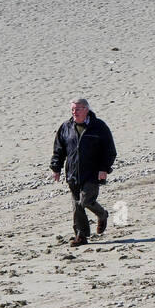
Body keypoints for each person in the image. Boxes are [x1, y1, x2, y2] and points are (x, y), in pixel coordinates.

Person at [50, 98, 117, 246]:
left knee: (85, 201)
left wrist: (104, 168)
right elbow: (59, 150)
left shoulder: (99, 126)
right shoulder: (66, 127)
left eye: (78, 109)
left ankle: (102, 214)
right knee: (76, 206)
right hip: (73, 173)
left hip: (93, 173)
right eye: (73, 109)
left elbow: (109, 150)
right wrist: (56, 168)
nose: (75, 112)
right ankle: (81, 236)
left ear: (86, 109)